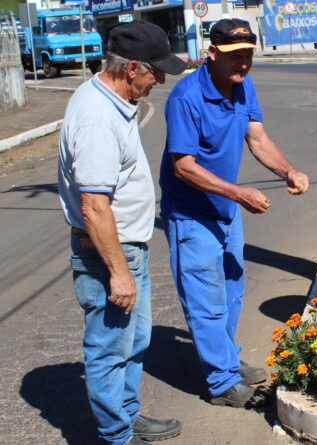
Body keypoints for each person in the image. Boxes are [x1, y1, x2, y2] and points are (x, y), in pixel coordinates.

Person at [159, 18, 309, 408]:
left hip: (226, 208)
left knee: (231, 290)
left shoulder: (243, 86)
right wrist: (239, 192)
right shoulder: (186, 97)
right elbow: (184, 166)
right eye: (234, 56)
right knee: (205, 298)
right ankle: (221, 382)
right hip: (191, 212)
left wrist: (287, 170)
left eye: (247, 56)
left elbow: (256, 137)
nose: (242, 63)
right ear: (212, 54)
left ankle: (225, 359)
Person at [57, 21, 186, 445]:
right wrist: (118, 272)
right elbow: (94, 206)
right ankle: (116, 435)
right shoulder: (98, 120)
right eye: (156, 72)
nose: (160, 81)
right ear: (132, 68)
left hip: (127, 246)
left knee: (134, 339)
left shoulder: (111, 99)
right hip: (109, 253)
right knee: (110, 348)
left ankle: (126, 415)